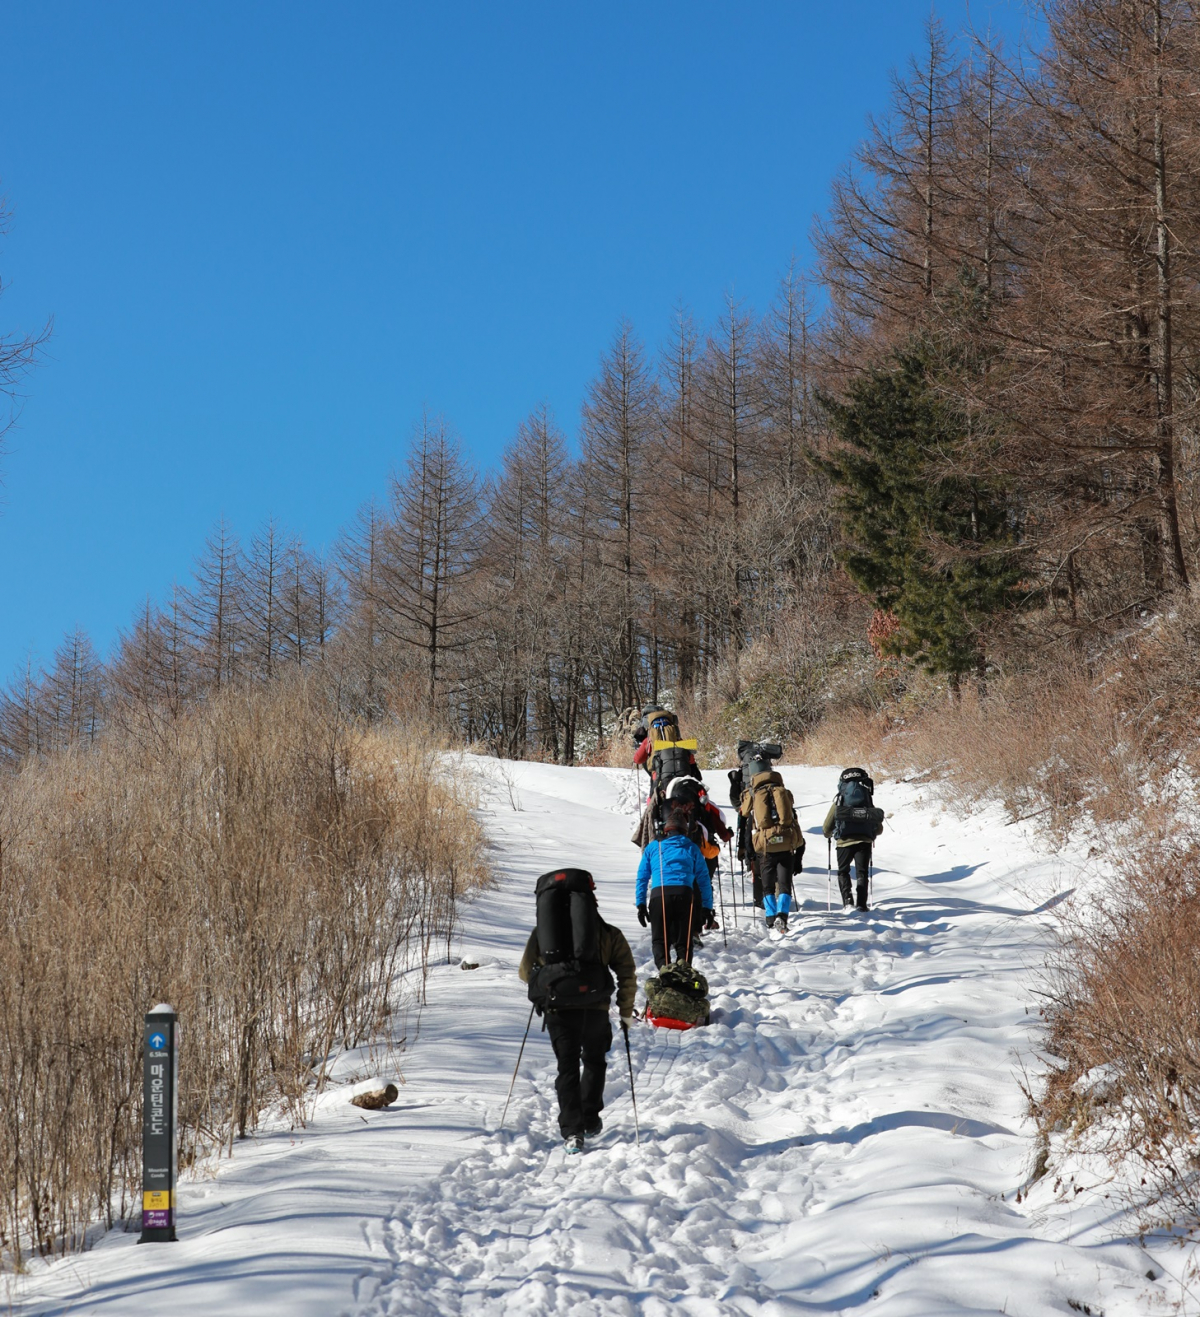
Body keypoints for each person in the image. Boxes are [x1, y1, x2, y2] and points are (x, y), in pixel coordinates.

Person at [518, 875, 637, 1152]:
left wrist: (550, 978)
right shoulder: (607, 933)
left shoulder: (544, 934)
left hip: (559, 1010)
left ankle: (572, 1131)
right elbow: (626, 973)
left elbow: (525, 973)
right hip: (595, 1010)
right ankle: (590, 1117)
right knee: (595, 1061)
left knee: (567, 1068)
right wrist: (626, 1012)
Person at [635, 808, 714, 967]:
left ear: (665, 830)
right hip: (685, 895)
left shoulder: (653, 848)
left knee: (659, 940)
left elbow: (642, 877)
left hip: (659, 896)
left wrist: (641, 904)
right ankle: (683, 971)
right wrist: (707, 907)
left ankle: (664, 971)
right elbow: (704, 879)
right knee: (683, 941)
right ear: (685, 831)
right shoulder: (692, 848)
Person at [822, 769, 879, 912]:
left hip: (843, 842)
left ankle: (847, 901)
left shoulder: (839, 800)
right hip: (864, 842)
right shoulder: (867, 800)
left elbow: (826, 827)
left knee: (843, 871)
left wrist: (829, 833)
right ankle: (861, 904)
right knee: (862, 872)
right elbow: (877, 826)